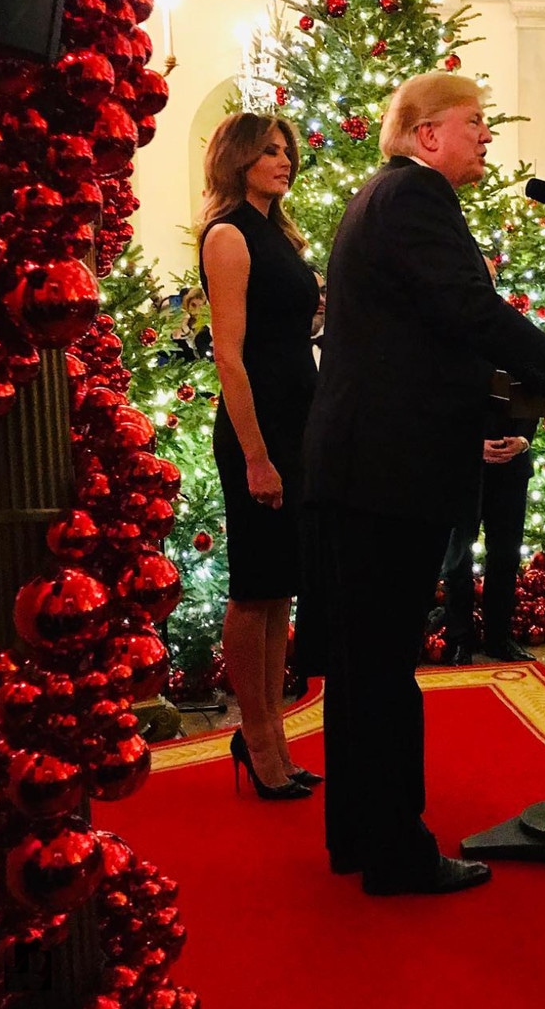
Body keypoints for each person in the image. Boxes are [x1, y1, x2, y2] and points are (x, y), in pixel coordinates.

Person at [302, 71, 545, 896]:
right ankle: (397, 854)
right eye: (473, 122)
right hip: (387, 469)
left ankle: (362, 840)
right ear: (424, 134)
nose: (486, 134)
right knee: (383, 667)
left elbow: (433, 324)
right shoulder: (413, 197)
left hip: (363, 465)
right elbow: (466, 309)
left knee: (363, 663)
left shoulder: (385, 197)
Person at [198, 112, 323, 799]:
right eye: (269, 151)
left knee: (280, 587)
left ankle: (272, 734)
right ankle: (255, 735)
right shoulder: (228, 235)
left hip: (294, 420)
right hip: (258, 428)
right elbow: (229, 356)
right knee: (254, 588)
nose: (284, 160)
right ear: (238, 159)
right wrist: (255, 455)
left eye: (286, 150)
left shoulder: (276, 233)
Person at [439, 256, 538, 667]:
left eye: (490, 279)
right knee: (458, 555)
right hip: (466, 461)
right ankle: (459, 637)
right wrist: (471, 445)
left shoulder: (508, 328)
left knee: (505, 553)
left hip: (511, 462)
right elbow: (442, 398)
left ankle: (499, 636)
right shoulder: (446, 334)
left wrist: (523, 440)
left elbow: (534, 385)